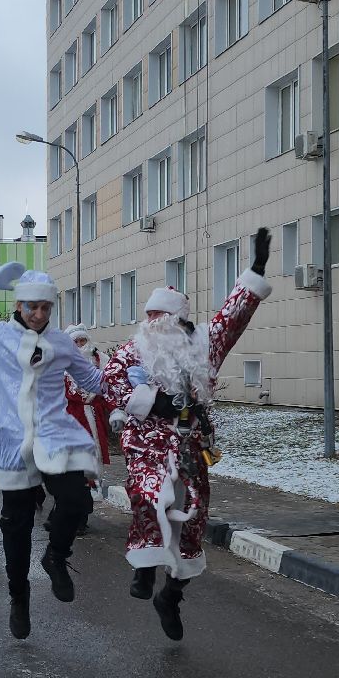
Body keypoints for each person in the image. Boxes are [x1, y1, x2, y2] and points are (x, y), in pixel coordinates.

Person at [102, 227, 272, 640]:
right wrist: (148, 402)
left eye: (168, 319)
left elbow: (232, 317)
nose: (159, 326)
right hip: (145, 440)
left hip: (189, 443)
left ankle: (172, 595)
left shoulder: (202, 346)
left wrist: (255, 271)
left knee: (193, 515)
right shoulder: (133, 349)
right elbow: (110, 381)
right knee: (145, 496)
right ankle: (144, 566)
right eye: (153, 318)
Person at [0, 264, 103, 640]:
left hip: (54, 435)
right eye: (32, 306)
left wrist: (134, 383)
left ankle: (56, 557)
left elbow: (92, 379)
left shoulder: (62, 342)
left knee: (77, 502)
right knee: (17, 525)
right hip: (11, 439)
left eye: (46, 308)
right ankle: (19, 596)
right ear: (18, 303)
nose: (39, 314)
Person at [63, 325, 116, 505]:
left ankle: (86, 504)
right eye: (75, 342)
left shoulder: (101, 362)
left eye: (82, 341)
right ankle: (67, 508)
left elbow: (110, 391)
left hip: (94, 416)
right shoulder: (60, 365)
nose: (79, 345)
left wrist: (115, 410)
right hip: (71, 419)